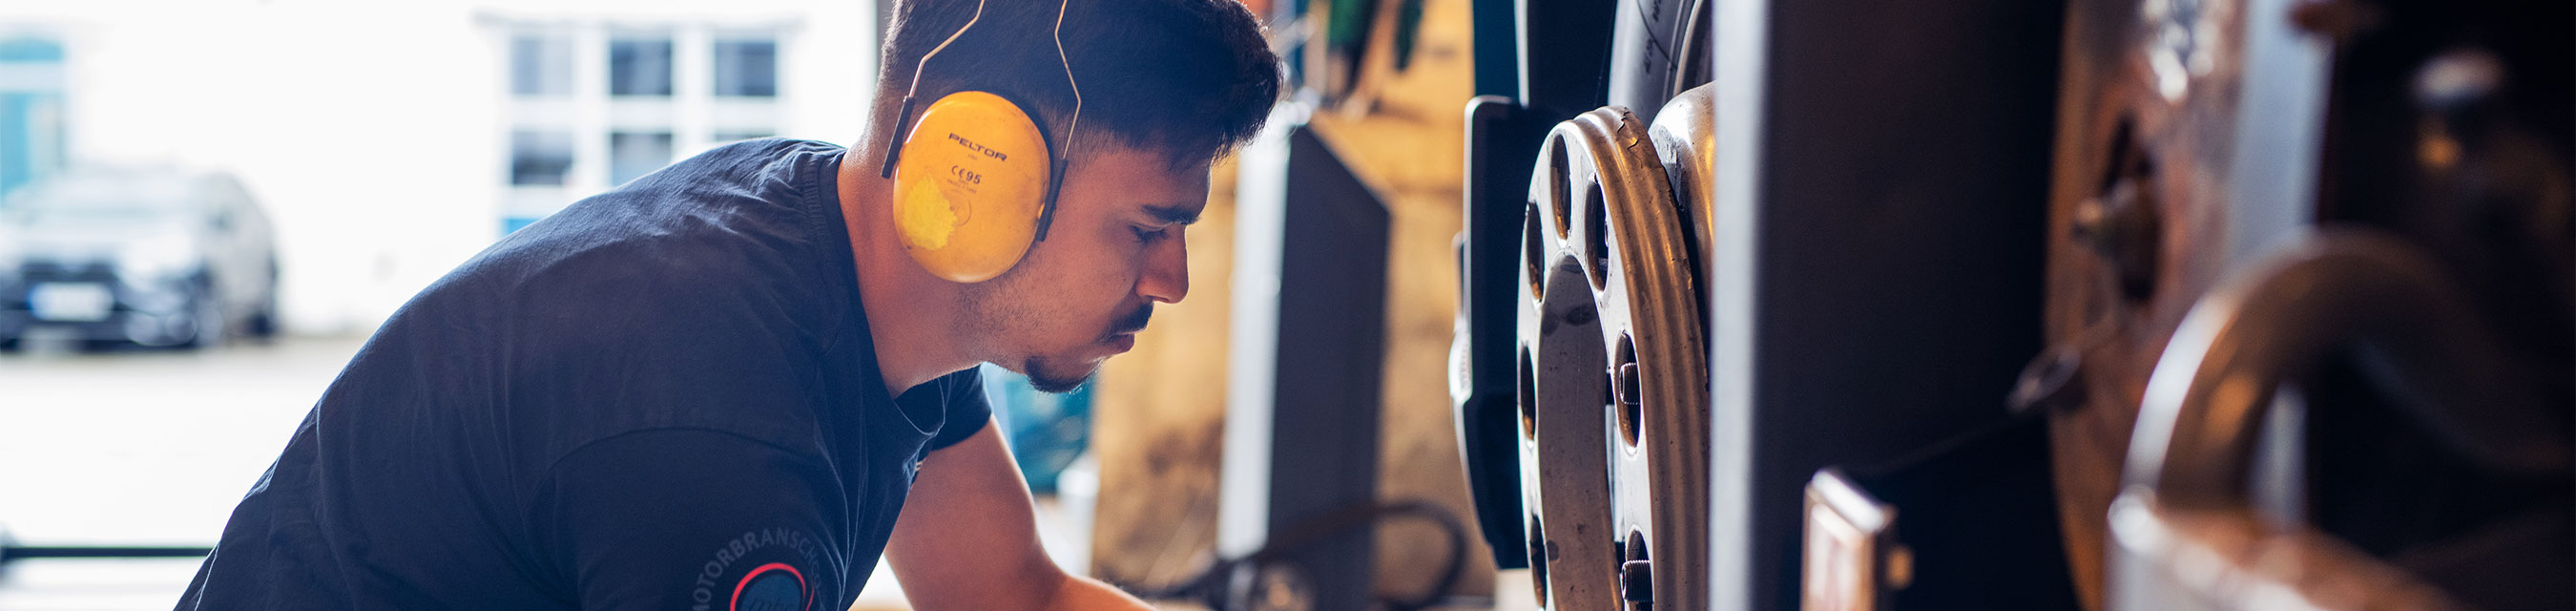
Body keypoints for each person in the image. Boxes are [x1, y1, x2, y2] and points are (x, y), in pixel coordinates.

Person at [175, 0, 1281, 608]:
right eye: (1146, 227)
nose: (1170, 279)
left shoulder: (868, 275)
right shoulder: (717, 429)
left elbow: (1010, 598)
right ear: (974, 178)